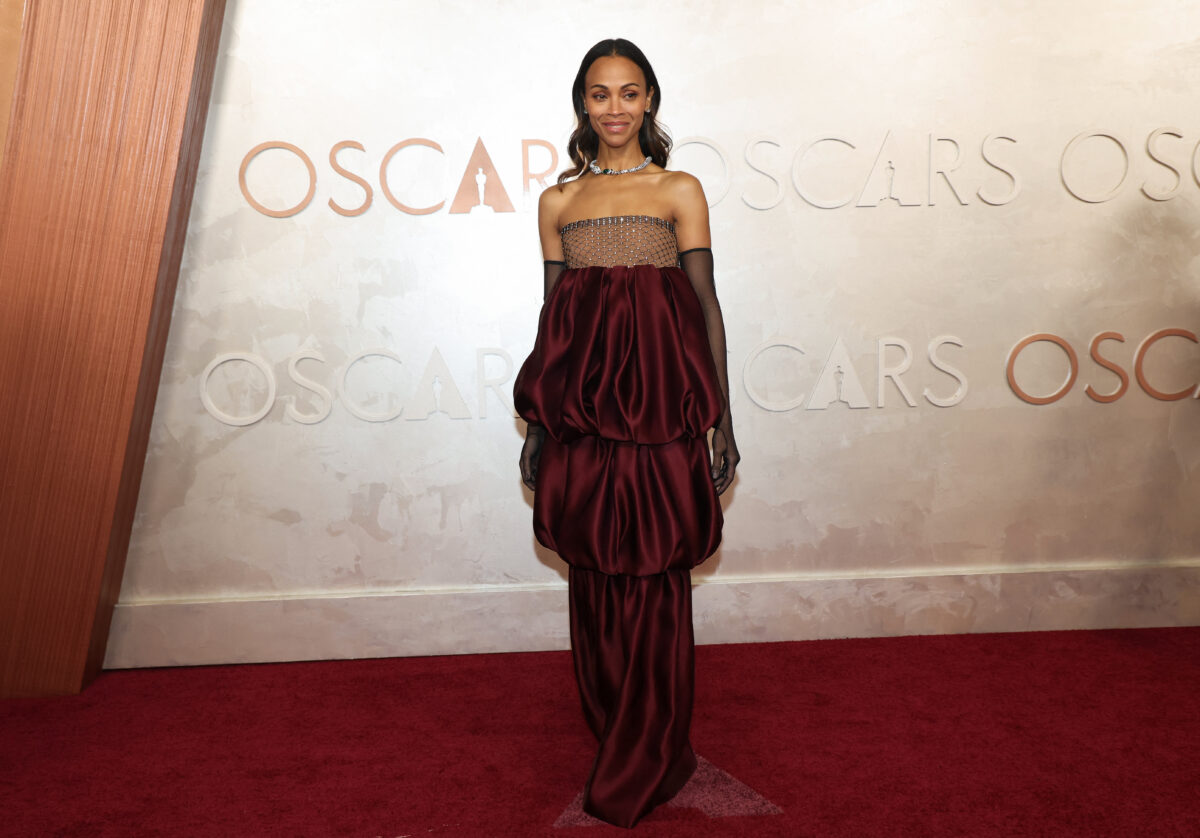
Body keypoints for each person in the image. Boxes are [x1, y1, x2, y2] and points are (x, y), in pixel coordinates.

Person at [513, 37, 739, 829]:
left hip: (661, 421)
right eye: (600, 94)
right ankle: (619, 731)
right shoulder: (557, 202)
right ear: (583, 102)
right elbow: (553, 322)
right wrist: (538, 424)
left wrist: (722, 418)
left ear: (651, 101)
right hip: (580, 422)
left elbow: (705, 308)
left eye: (630, 92)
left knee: (654, 577)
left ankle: (653, 746)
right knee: (596, 578)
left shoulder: (679, 189)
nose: (615, 108)